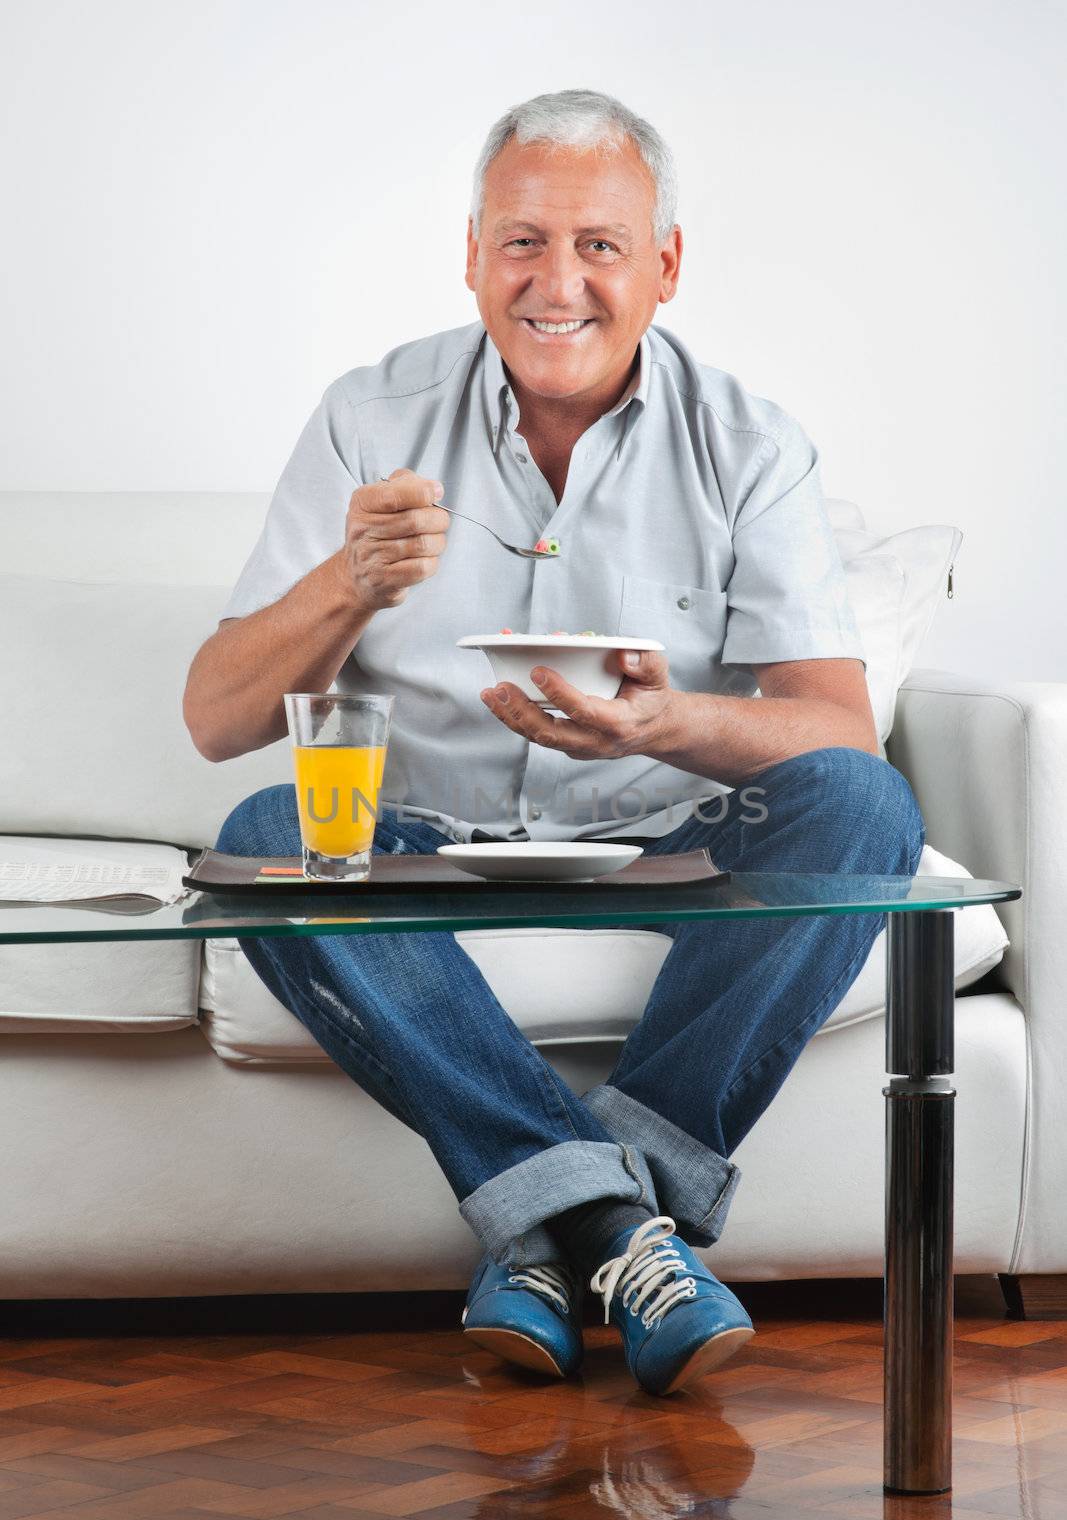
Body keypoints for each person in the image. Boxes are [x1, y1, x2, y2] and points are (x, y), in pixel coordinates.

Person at [183, 87, 924, 1397]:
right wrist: (347, 583)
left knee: (866, 807)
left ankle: (549, 1223)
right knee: (264, 835)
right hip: (425, 837)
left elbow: (835, 731)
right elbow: (217, 718)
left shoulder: (749, 444)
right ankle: (622, 1233)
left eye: (600, 244)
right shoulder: (370, 414)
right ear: (472, 254)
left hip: (667, 837)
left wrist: (670, 721)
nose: (557, 282)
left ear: (666, 267)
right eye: (523, 242)